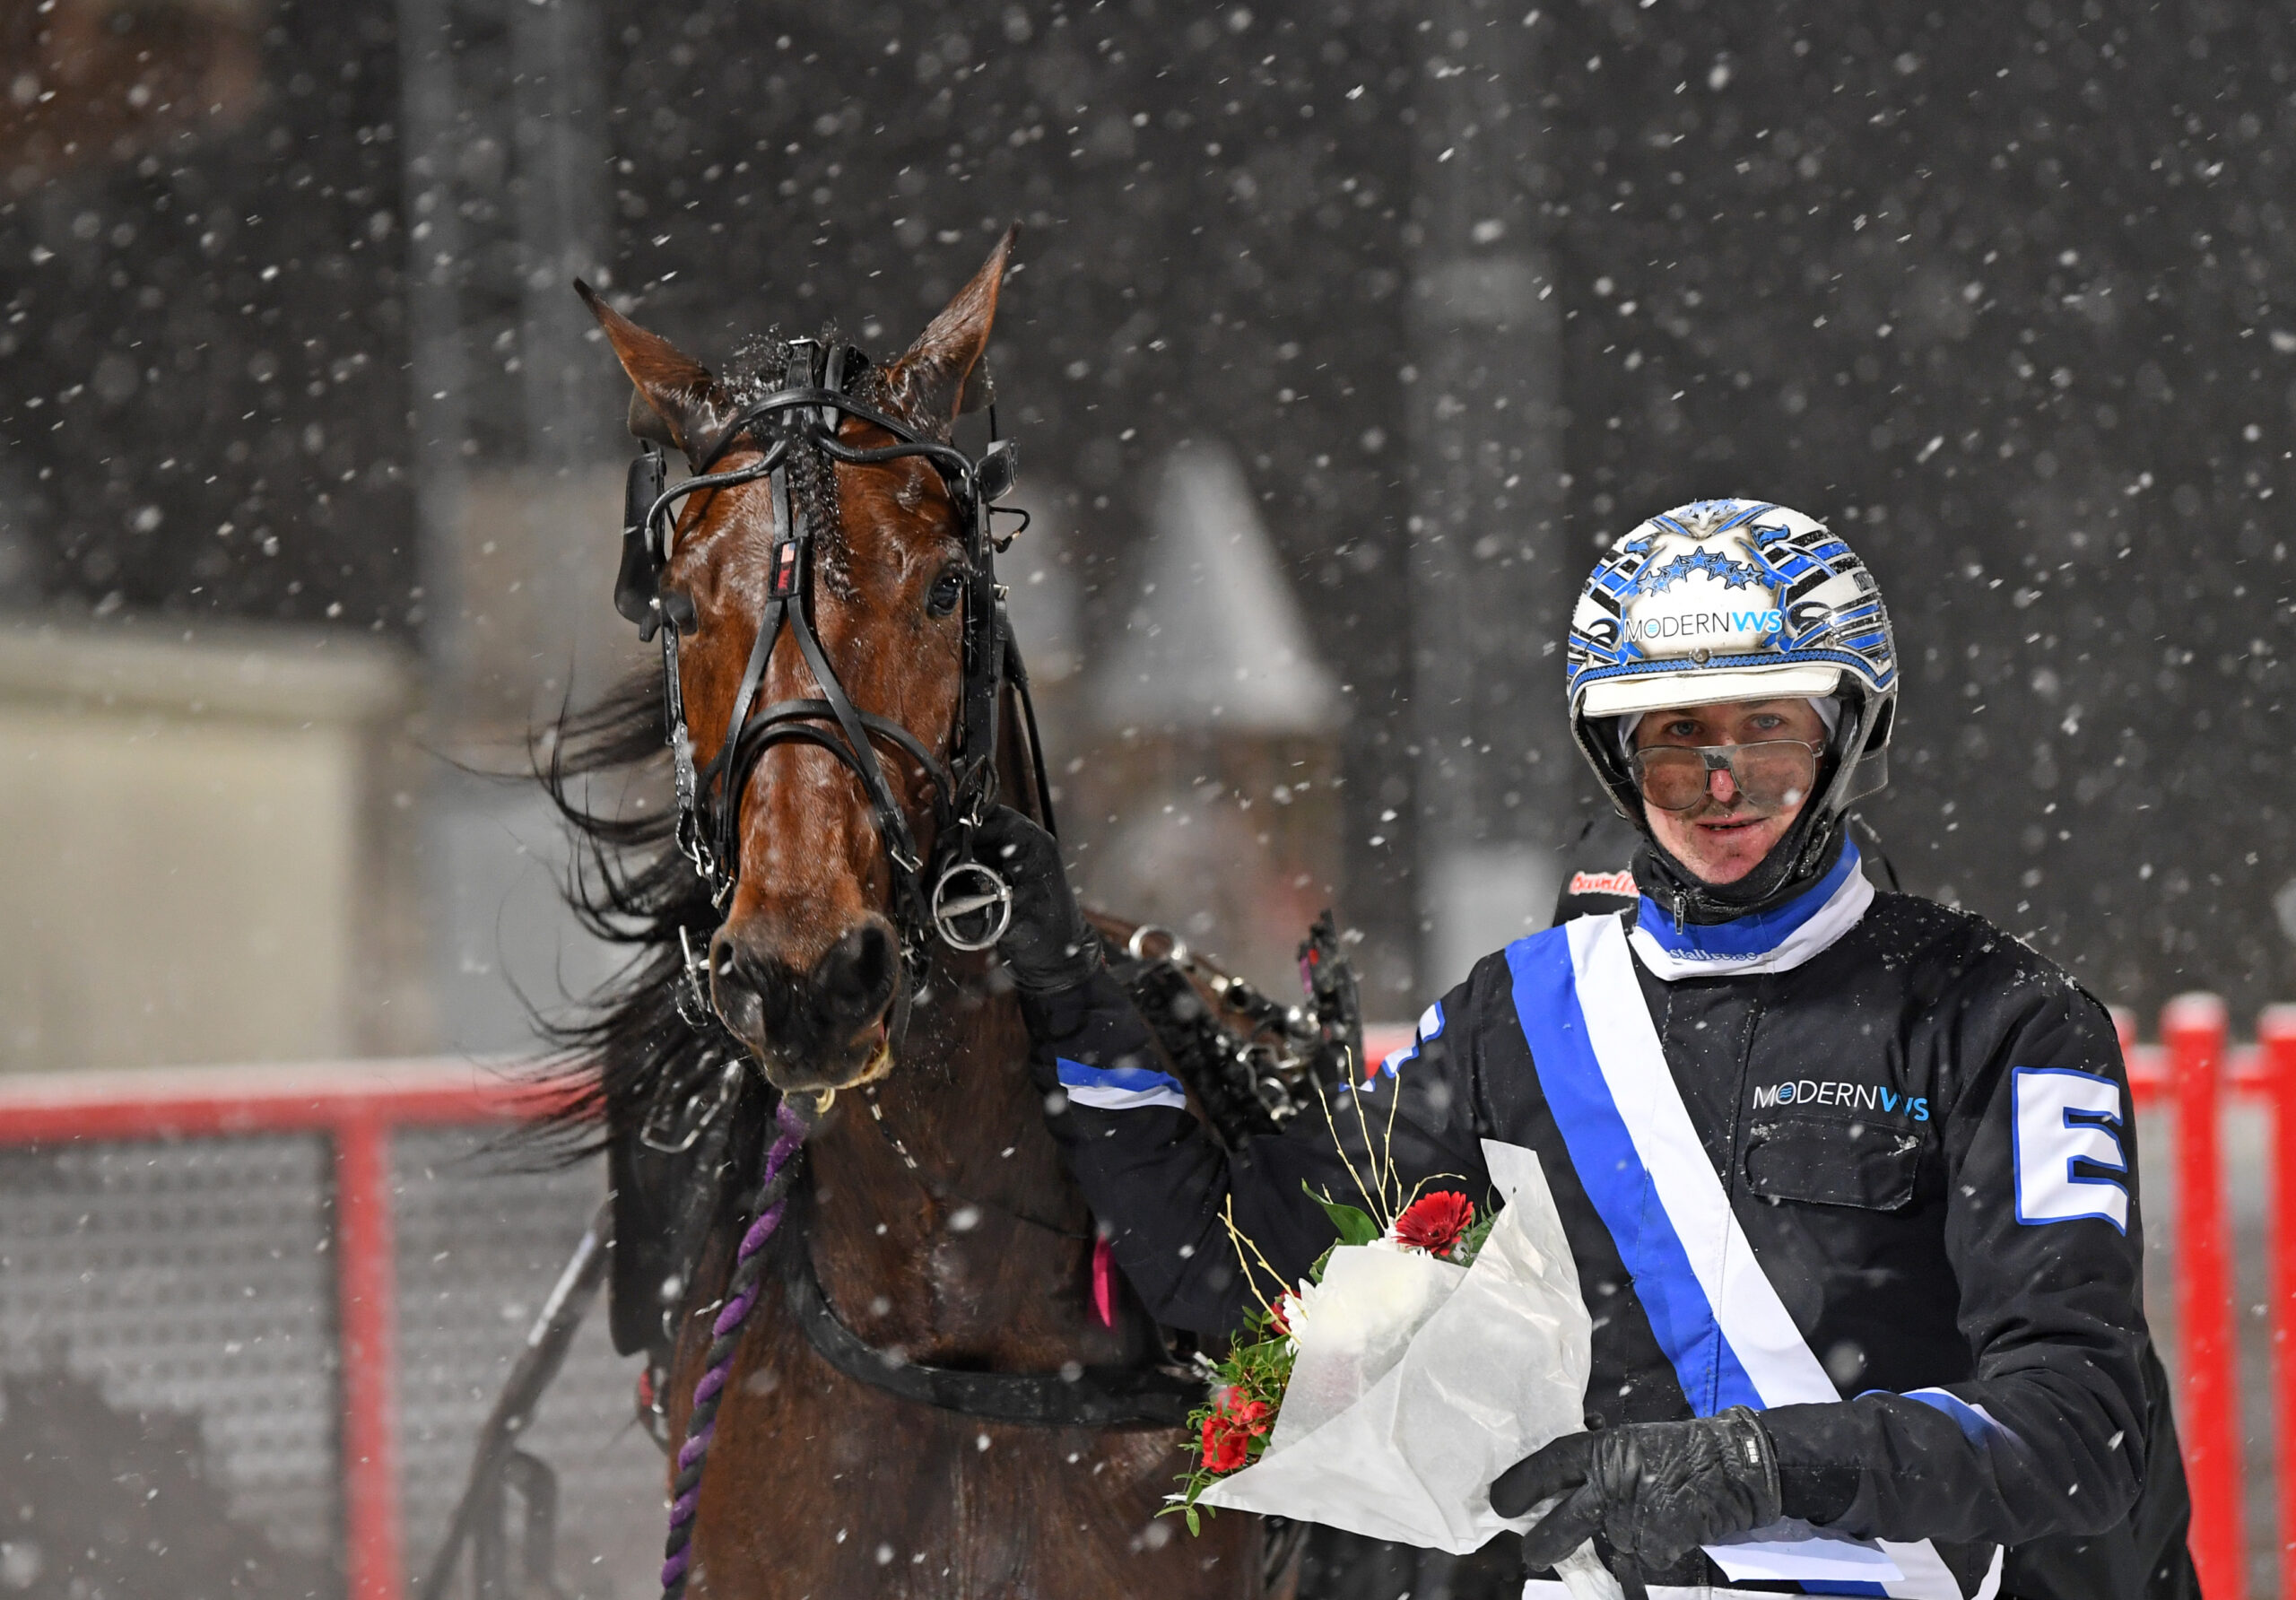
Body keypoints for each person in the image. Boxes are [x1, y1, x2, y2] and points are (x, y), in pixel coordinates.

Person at [977, 498, 2196, 1599]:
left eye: (1766, 735)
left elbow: (2075, 1432)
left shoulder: (2003, 1017)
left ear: (1844, 735)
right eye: (1676, 742)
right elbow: (1238, 1270)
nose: (1721, 787)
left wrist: (1753, 1465)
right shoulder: (1521, 1019)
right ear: (1617, 755)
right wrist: (1072, 998)